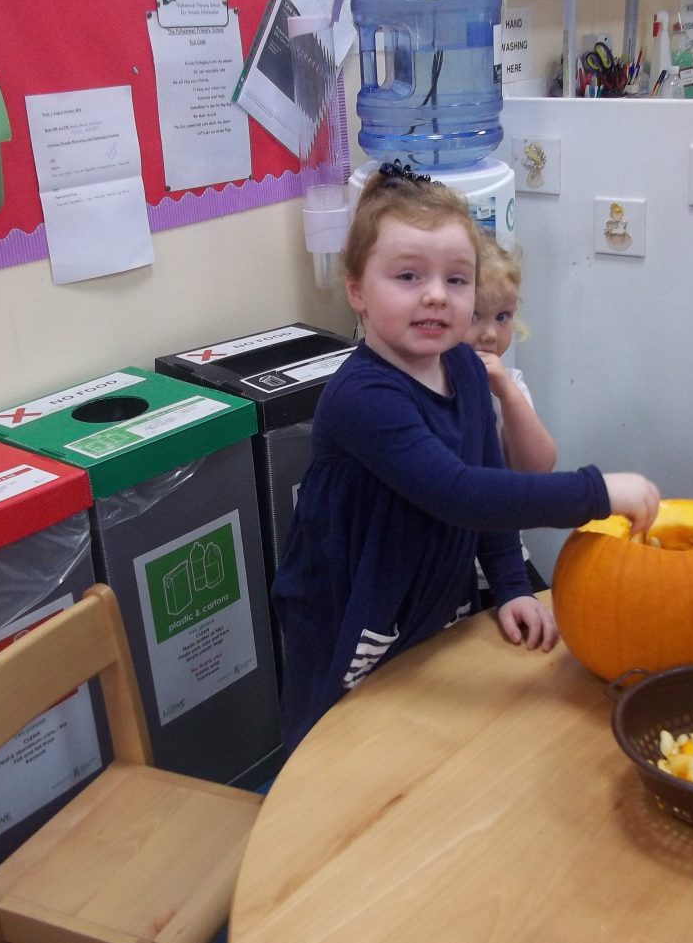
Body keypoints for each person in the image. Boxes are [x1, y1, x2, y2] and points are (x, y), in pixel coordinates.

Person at [272, 162, 660, 749]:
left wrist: (511, 585)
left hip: (425, 603)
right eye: (408, 275)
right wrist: (597, 493)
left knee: (422, 744)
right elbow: (461, 493)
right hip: (348, 614)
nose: (436, 294)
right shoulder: (362, 397)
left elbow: (487, 478)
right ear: (356, 291)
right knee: (337, 751)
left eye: (457, 279)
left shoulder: (465, 368)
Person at [466, 237, 555, 604]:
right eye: (474, 316)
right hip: (450, 576)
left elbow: (539, 467)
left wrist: (507, 393)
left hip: (505, 562)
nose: (490, 333)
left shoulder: (510, 386)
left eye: (502, 317)